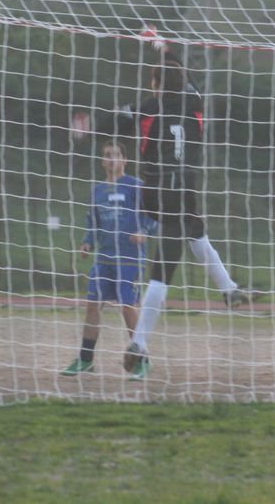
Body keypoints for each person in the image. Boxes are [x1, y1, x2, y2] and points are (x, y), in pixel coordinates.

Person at [75, 57, 256, 377]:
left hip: (158, 191)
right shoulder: (195, 102)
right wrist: (166, 51)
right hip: (181, 189)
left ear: (156, 85)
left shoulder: (150, 107)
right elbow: (192, 83)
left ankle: (228, 290)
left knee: (195, 234)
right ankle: (139, 344)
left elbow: (115, 123)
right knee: (167, 266)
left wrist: (89, 130)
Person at [61, 140, 156, 380]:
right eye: (107, 155)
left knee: (128, 306)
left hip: (130, 258)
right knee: (93, 305)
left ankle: (142, 360)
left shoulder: (136, 186)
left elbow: (155, 212)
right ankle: (85, 360)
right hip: (104, 258)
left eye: (116, 155)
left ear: (125, 160)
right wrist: (87, 242)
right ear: (102, 161)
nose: (112, 158)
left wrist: (144, 230)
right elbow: (92, 221)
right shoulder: (98, 191)